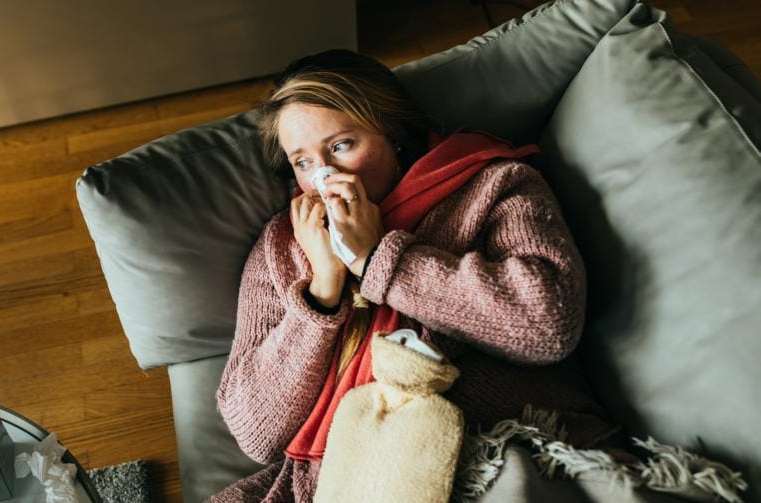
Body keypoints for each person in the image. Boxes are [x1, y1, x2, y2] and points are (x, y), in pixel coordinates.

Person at [211, 49, 628, 502]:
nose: (324, 176)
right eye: (303, 162)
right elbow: (255, 432)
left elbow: (548, 325)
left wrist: (377, 260)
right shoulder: (283, 245)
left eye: (341, 145)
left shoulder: (493, 185)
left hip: (497, 449)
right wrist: (321, 294)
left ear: (393, 134)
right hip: (340, 480)